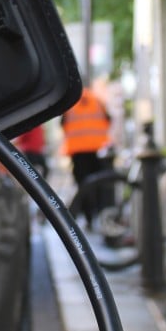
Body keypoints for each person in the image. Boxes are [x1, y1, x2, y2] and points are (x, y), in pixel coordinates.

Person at [61, 87, 112, 229]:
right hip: (97, 149)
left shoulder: (70, 101)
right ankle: (102, 216)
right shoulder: (97, 100)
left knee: (83, 186)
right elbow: (108, 120)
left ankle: (89, 218)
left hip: (78, 152)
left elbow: (63, 125)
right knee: (100, 184)